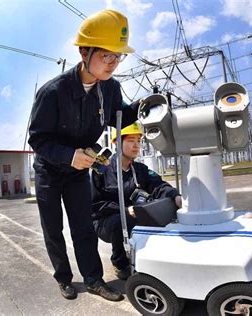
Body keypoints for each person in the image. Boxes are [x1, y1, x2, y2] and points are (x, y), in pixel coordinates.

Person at [28, 9, 139, 301]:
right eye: (106, 56)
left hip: (80, 171)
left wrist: (144, 106)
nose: (113, 63)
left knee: (83, 227)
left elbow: (121, 114)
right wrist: (68, 156)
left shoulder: (111, 88)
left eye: (118, 56)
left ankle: (93, 279)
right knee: (53, 228)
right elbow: (37, 139)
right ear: (84, 52)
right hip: (50, 170)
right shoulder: (53, 92)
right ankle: (64, 278)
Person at [91, 122, 182, 280]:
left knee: (164, 206)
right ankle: (120, 263)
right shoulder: (101, 171)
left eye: (139, 141)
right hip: (106, 221)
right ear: (116, 143)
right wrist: (125, 210)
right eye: (130, 141)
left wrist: (175, 196)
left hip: (134, 215)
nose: (136, 145)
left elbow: (158, 185)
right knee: (122, 221)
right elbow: (95, 205)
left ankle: (151, 254)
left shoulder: (140, 170)